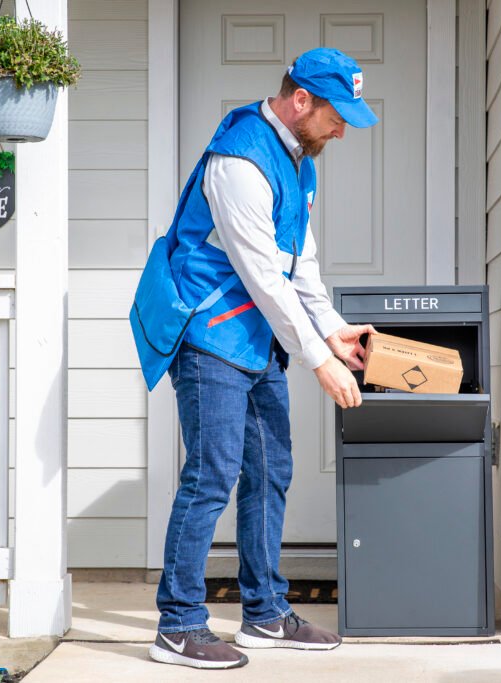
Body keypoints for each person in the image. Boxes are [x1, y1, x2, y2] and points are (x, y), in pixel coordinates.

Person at [145, 47, 378, 670]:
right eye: (337, 115)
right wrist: (317, 360)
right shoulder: (239, 159)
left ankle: (266, 613)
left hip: (257, 340)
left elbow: (300, 265)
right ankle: (178, 624)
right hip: (211, 335)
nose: (344, 128)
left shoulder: (300, 160)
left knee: (271, 470)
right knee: (212, 475)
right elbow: (260, 276)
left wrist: (333, 330)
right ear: (300, 101)